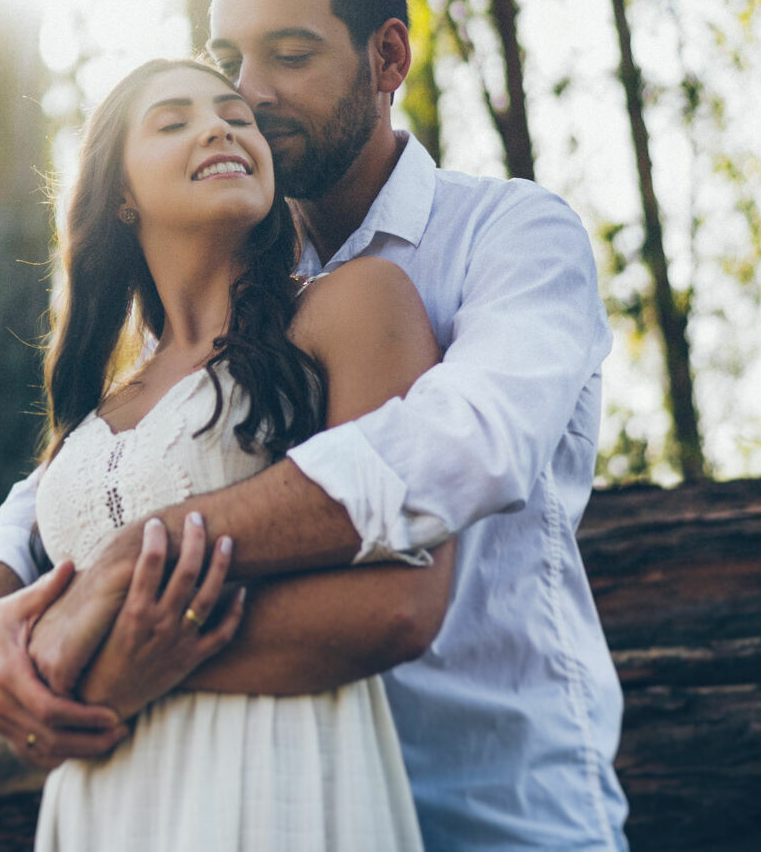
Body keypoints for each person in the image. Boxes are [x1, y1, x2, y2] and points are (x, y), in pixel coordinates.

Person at [0, 0, 628, 850]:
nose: (250, 94)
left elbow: (465, 444)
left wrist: (119, 618)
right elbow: (82, 479)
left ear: (388, 58)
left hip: (490, 811)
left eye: (290, 56)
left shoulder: (509, 237)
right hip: (207, 806)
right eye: (229, 58)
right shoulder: (240, 287)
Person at [27, 55, 451, 849]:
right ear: (119, 194)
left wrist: (113, 672)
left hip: (276, 788)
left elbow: (398, 606)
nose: (220, 125)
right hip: (101, 808)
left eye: (235, 114)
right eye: (173, 120)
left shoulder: (351, 306)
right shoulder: (97, 405)